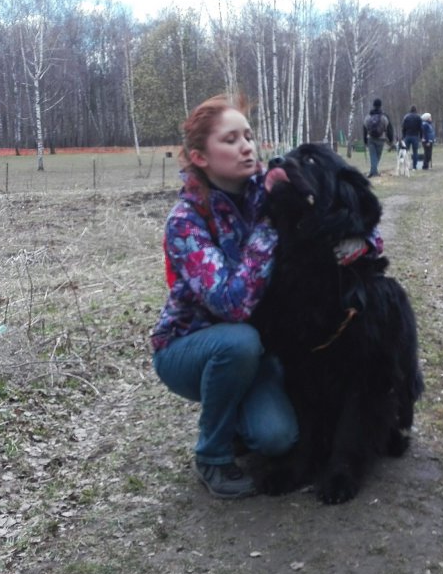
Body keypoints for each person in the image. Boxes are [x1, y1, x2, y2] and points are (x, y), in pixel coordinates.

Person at [151, 95, 378, 500]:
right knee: (239, 342)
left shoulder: (266, 189)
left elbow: (343, 209)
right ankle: (212, 455)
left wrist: (363, 241)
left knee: (277, 438)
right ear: (201, 157)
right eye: (231, 139)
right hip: (191, 347)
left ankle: (241, 415)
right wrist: (272, 227)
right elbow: (231, 305)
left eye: (249, 136)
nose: (247, 147)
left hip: (258, 351)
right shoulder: (186, 222)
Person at [362, 98, 394, 178]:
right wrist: (390, 139)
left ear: (373, 105)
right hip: (381, 138)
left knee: (373, 155)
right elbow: (389, 128)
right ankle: (374, 172)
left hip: (370, 138)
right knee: (377, 156)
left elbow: (364, 128)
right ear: (380, 105)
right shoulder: (384, 116)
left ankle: (373, 172)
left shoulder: (368, 116)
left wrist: (365, 140)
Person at [400, 105, 423, 170]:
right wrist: (421, 137)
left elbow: (403, 127)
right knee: (415, 152)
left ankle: (405, 166)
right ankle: (414, 166)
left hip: (407, 136)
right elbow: (421, 128)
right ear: (416, 110)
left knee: (405, 151)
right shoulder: (418, 117)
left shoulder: (406, 117)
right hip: (415, 136)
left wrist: (403, 136)